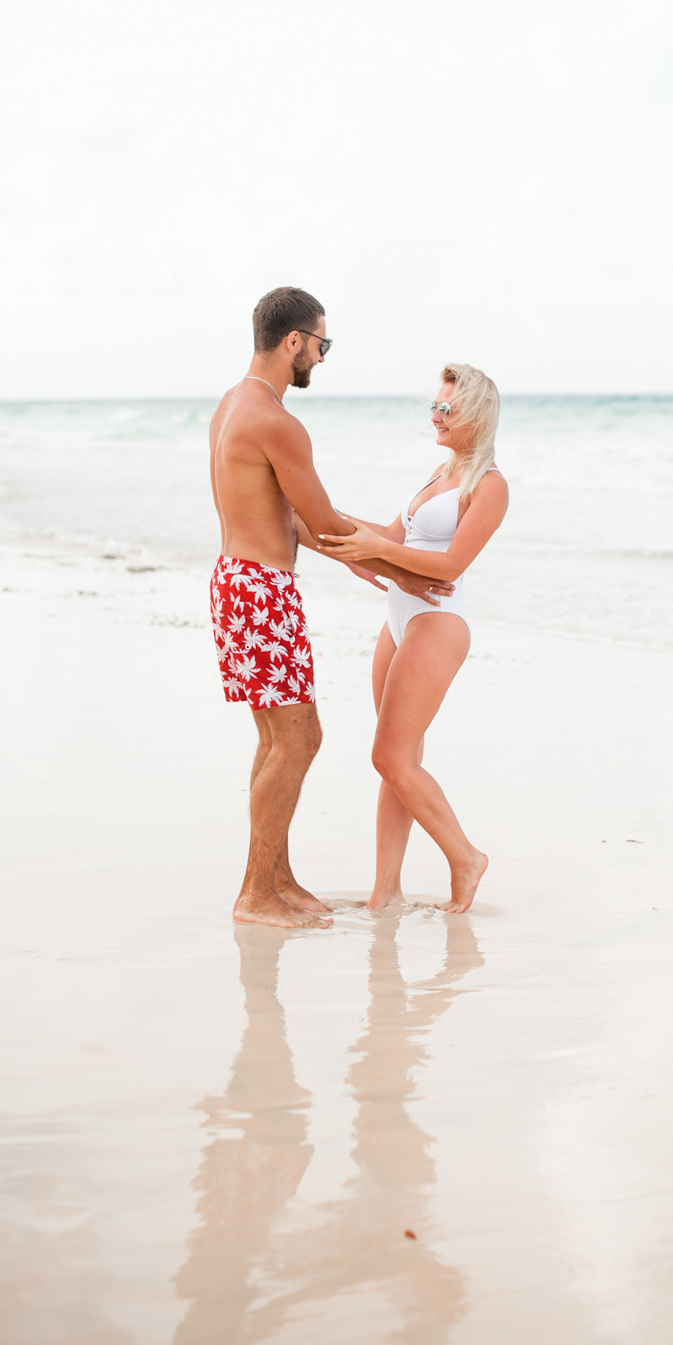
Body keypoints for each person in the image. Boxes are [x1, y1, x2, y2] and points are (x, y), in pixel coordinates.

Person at [209, 287, 452, 931]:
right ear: (294, 342)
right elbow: (319, 520)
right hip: (261, 591)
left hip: (241, 582)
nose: (322, 356)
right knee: (298, 740)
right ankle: (256, 892)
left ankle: (275, 878)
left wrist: (381, 563)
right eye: (321, 343)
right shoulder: (276, 421)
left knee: (278, 741)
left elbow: (292, 519)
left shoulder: (233, 406)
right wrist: (398, 568)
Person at [318, 364, 508, 913]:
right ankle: (386, 891)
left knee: (390, 757)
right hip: (397, 620)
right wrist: (317, 514)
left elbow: (450, 563)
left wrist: (374, 552)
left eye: (446, 408)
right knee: (400, 759)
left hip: (438, 622)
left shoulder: (489, 486)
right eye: (435, 406)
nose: (435, 416)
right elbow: (388, 537)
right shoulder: (438, 472)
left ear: (475, 414)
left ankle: (466, 857)